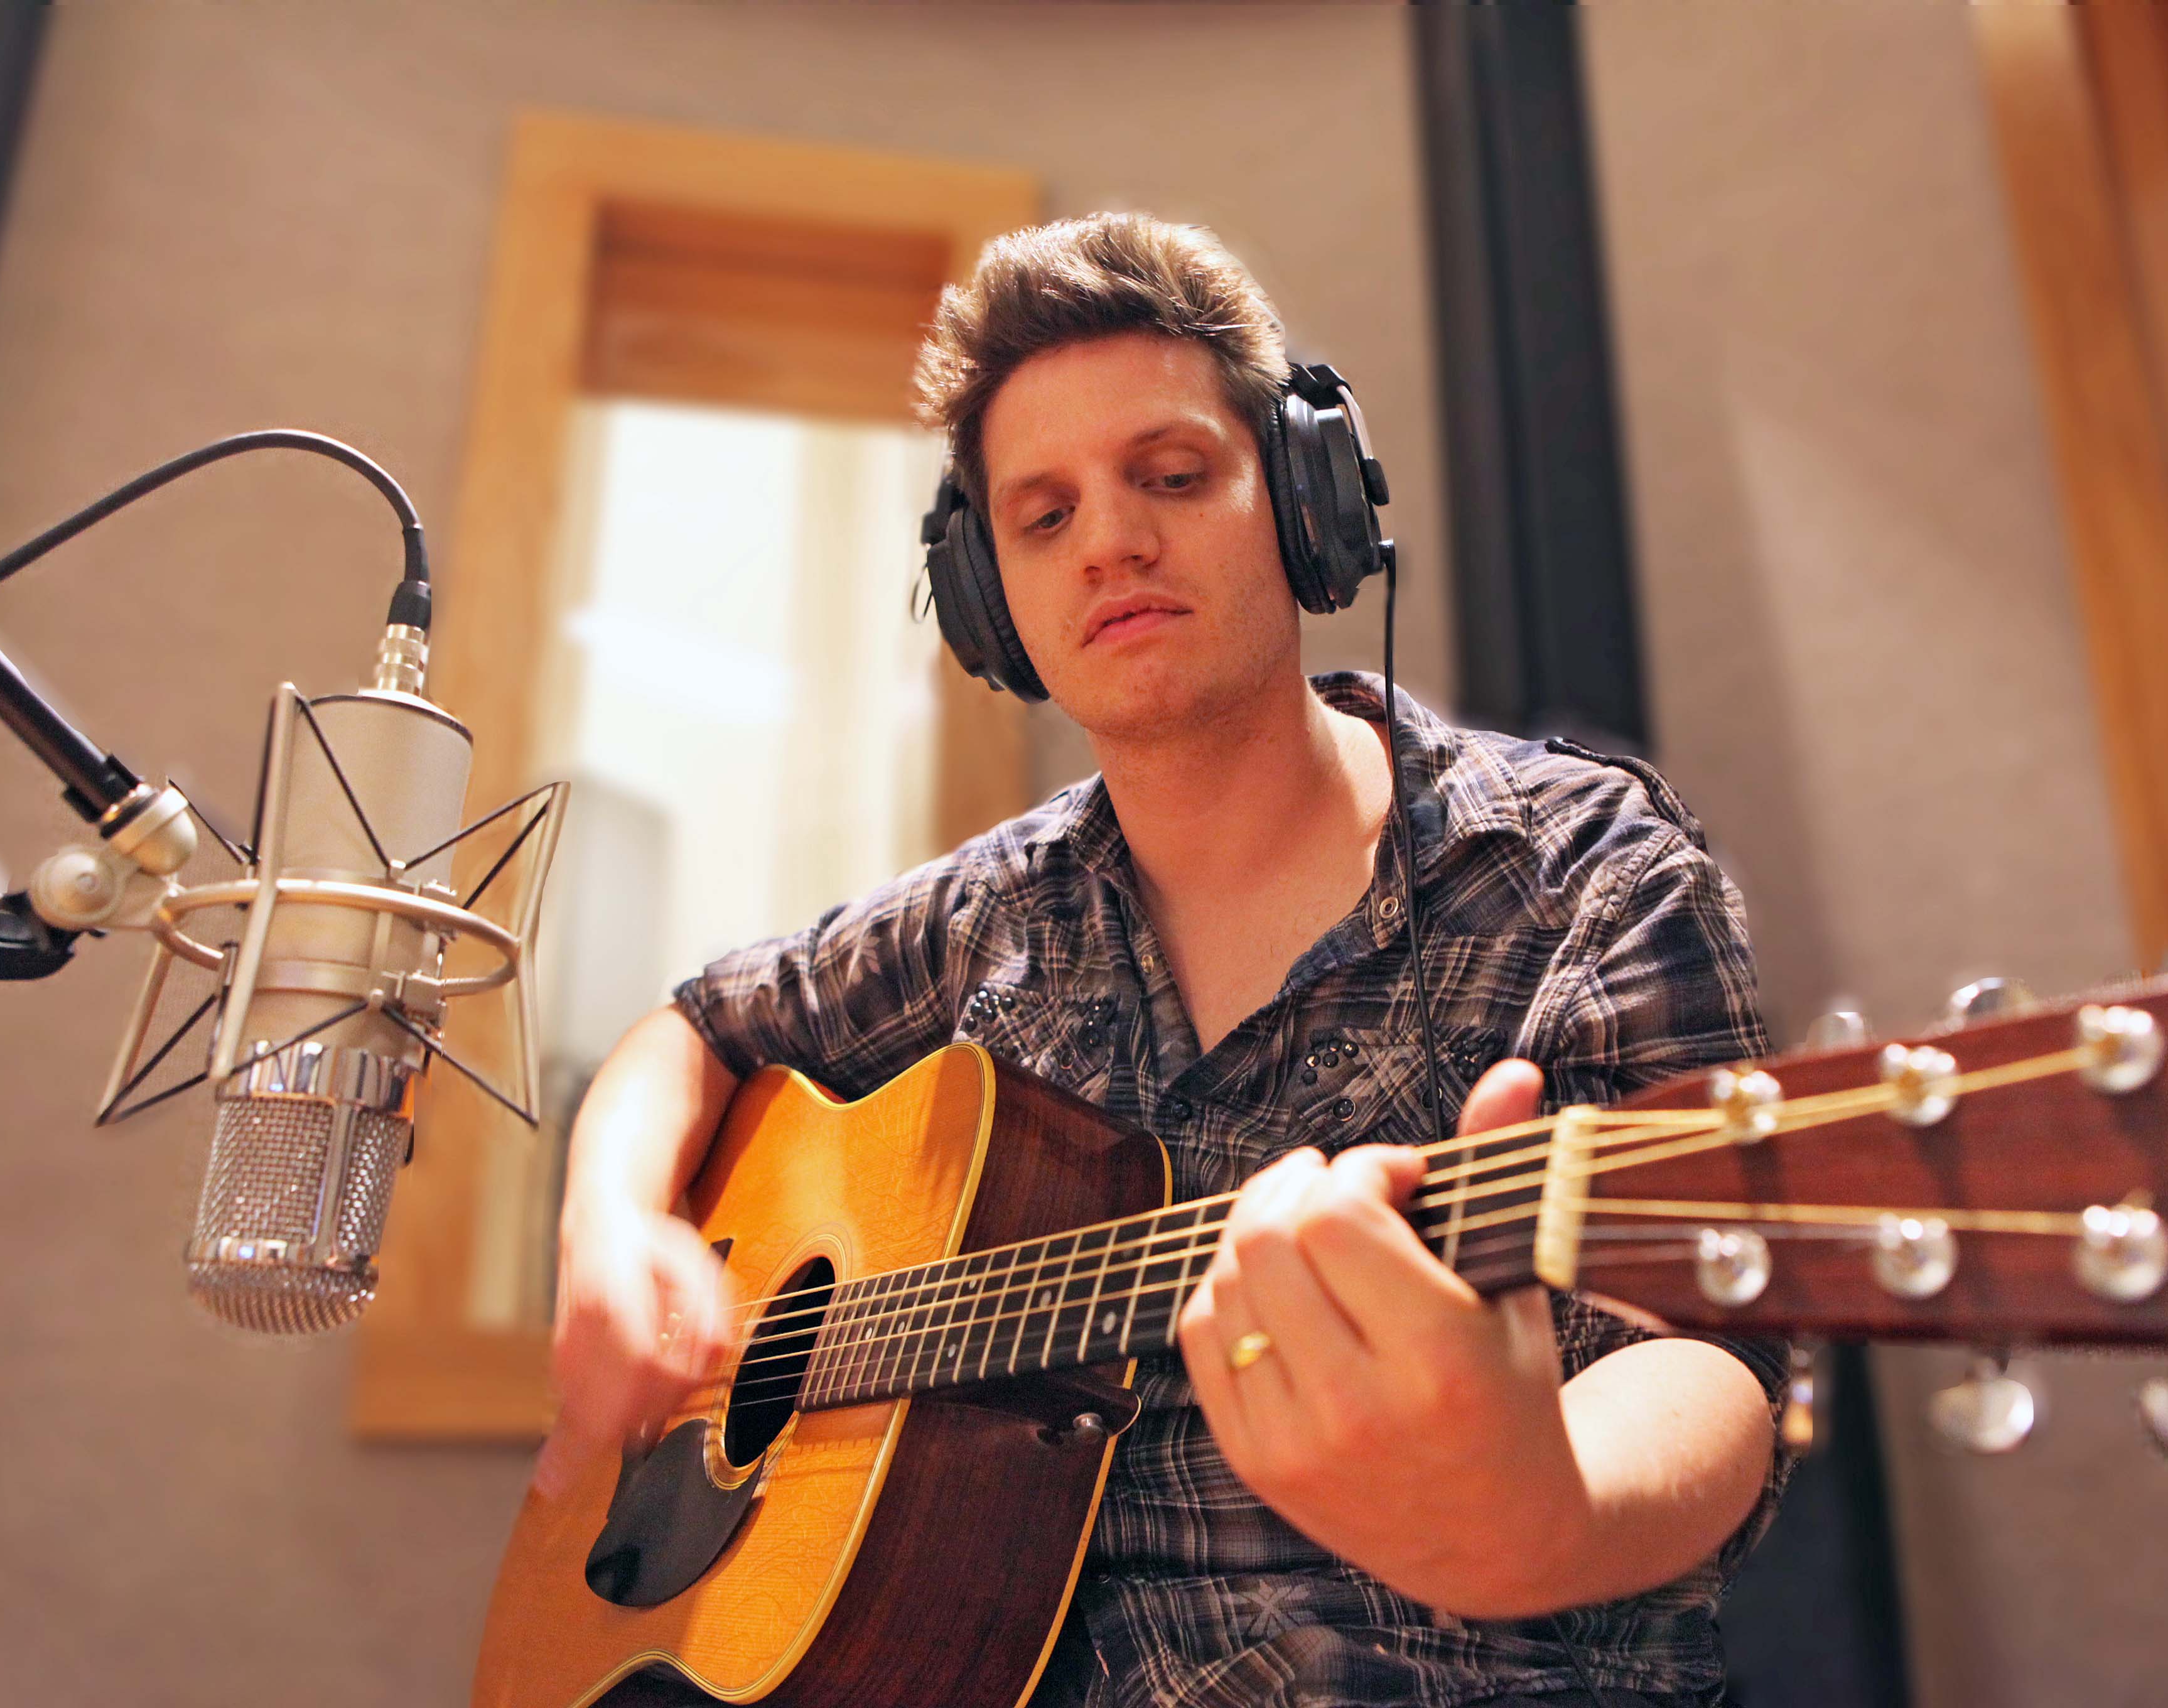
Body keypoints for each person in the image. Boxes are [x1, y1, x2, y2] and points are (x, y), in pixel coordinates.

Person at [535, 213, 1787, 1708]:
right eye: (1043, 515)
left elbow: (1711, 1341)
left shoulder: (1579, 868)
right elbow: (692, 1031)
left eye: (1173, 476)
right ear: (991, 601)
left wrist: (1540, 1513)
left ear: (1306, 503)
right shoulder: (983, 921)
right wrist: (613, 1229)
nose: (1113, 540)